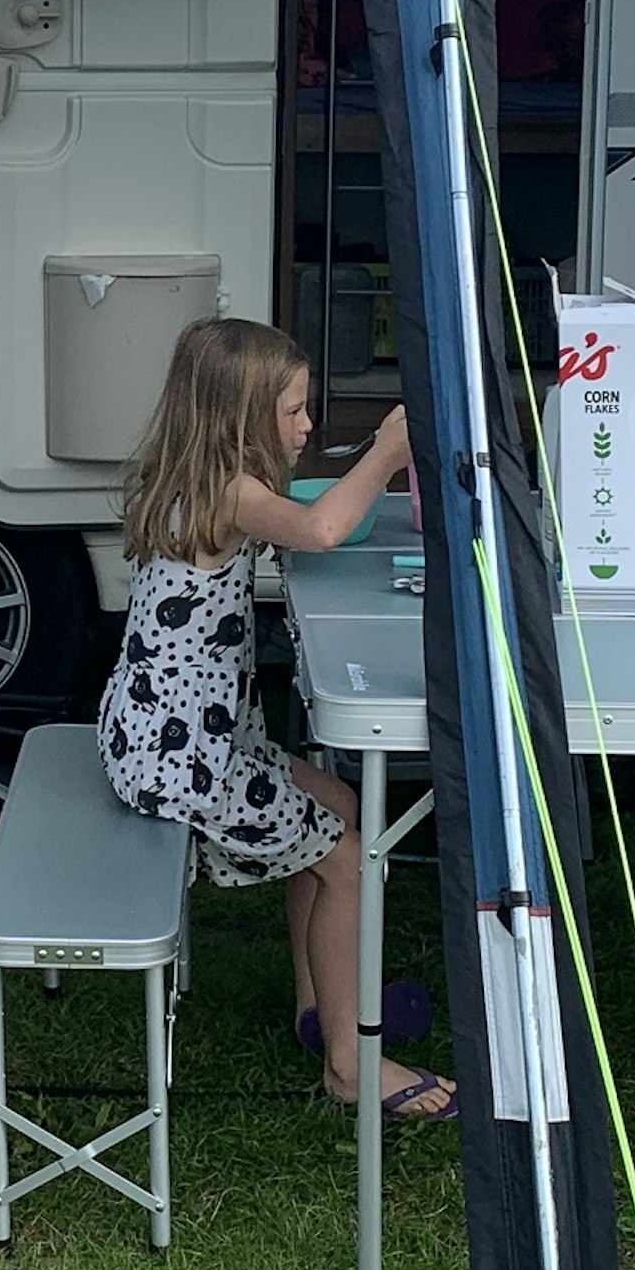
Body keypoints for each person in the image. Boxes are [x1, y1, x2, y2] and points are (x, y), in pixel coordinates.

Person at [102, 317, 457, 1121]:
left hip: (170, 732)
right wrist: (386, 455)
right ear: (239, 418)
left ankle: (318, 1007)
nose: (306, 426)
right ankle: (351, 1067)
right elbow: (323, 528)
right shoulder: (231, 490)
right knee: (351, 860)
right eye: (293, 412)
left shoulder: (186, 473)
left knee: (336, 806)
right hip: (187, 758)